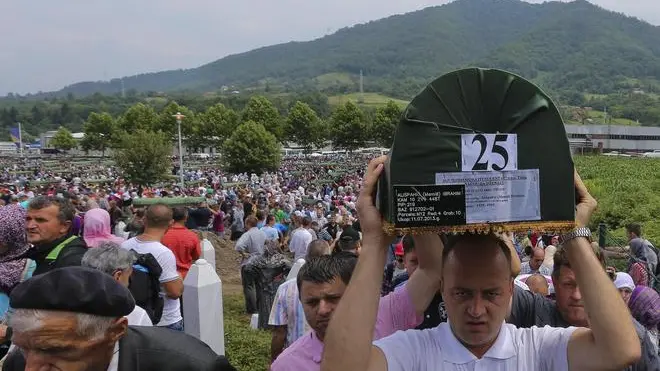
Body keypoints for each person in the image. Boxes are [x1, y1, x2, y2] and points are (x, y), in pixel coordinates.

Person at [320, 156, 641, 371]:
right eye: (462, 293)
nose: (476, 309)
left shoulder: (537, 347)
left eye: (490, 294)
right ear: (443, 290)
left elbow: (622, 349)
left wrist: (575, 233)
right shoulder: (414, 351)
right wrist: (375, 241)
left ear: (511, 290)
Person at [2, 266, 236, 371]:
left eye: (55, 350)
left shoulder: (190, 366)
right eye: (24, 348)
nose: (31, 367)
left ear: (115, 332)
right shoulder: (17, 363)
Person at [121, 204, 184, 331]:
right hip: (165, 319)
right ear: (171, 223)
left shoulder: (125, 246)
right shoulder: (163, 253)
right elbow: (174, 292)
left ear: (144, 219)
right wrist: (179, 277)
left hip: (136, 315)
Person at [269, 240, 330, 362]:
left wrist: (275, 361)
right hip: (328, 359)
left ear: (306, 258)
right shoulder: (338, 288)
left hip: (294, 360)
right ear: (329, 258)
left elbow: (279, 333)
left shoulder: (285, 288)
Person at [81, 242, 153, 326]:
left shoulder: (67, 302)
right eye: (128, 277)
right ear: (117, 276)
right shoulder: (135, 315)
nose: (129, 282)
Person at [25, 196, 87, 276]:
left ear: (64, 226)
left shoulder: (73, 262)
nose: (29, 226)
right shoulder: (38, 251)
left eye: (40, 220)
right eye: (28, 219)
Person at [161, 207, 201, 279]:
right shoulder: (192, 236)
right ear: (185, 218)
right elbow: (196, 256)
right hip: (186, 276)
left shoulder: (162, 234)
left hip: (165, 276)